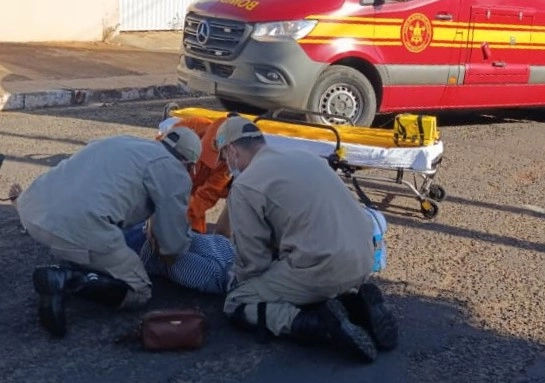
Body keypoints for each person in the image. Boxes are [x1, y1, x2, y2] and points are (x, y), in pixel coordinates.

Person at [214, 115, 398, 362]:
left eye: (223, 158)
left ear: (231, 150)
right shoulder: (307, 157)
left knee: (237, 302)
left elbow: (253, 262)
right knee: (299, 275)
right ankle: (357, 306)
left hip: (324, 268)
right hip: (363, 259)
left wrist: (241, 283)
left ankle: (317, 325)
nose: (226, 165)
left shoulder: (246, 185)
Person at [13, 128, 201, 338]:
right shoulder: (174, 170)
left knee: (95, 243)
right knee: (140, 290)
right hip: (75, 228)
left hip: (32, 212)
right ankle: (69, 280)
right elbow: (172, 242)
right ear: (189, 164)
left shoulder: (123, 141)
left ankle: (76, 264)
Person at [157, 115, 233, 235]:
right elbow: (159, 155)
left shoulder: (228, 163)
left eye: (220, 158)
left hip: (191, 207)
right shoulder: (192, 125)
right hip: (165, 193)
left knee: (192, 238)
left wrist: (182, 217)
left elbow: (207, 195)